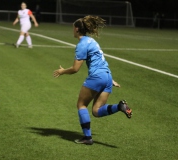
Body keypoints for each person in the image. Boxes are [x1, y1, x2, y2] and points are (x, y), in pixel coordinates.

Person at [53, 15, 132, 145]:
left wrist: (62, 71)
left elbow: (75, 69)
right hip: (107, 75)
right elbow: (101, 61)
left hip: (97, 77)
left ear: (77, 29)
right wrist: (109, 79)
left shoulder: (82, 45)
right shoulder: (92, 41)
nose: (72, 30)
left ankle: (87, 138)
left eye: (73, 28)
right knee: (96, 111)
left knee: (81, 105)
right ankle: (120, 106)